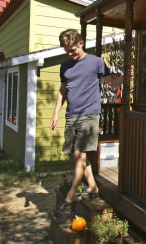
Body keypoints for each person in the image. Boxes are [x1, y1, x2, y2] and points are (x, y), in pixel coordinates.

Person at [50, 29, 122, 218]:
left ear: (81, 43)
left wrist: (128, 76)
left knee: (79, 155)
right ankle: (92, 186)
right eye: (67, 51)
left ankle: (70, 198)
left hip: (90, 114)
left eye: (72, 49)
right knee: (78, 157)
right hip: (72, 114)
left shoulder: (96, 62)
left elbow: (112, 83)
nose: (70, 54)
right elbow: (62, 91)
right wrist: (55, 113)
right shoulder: (65, 66)